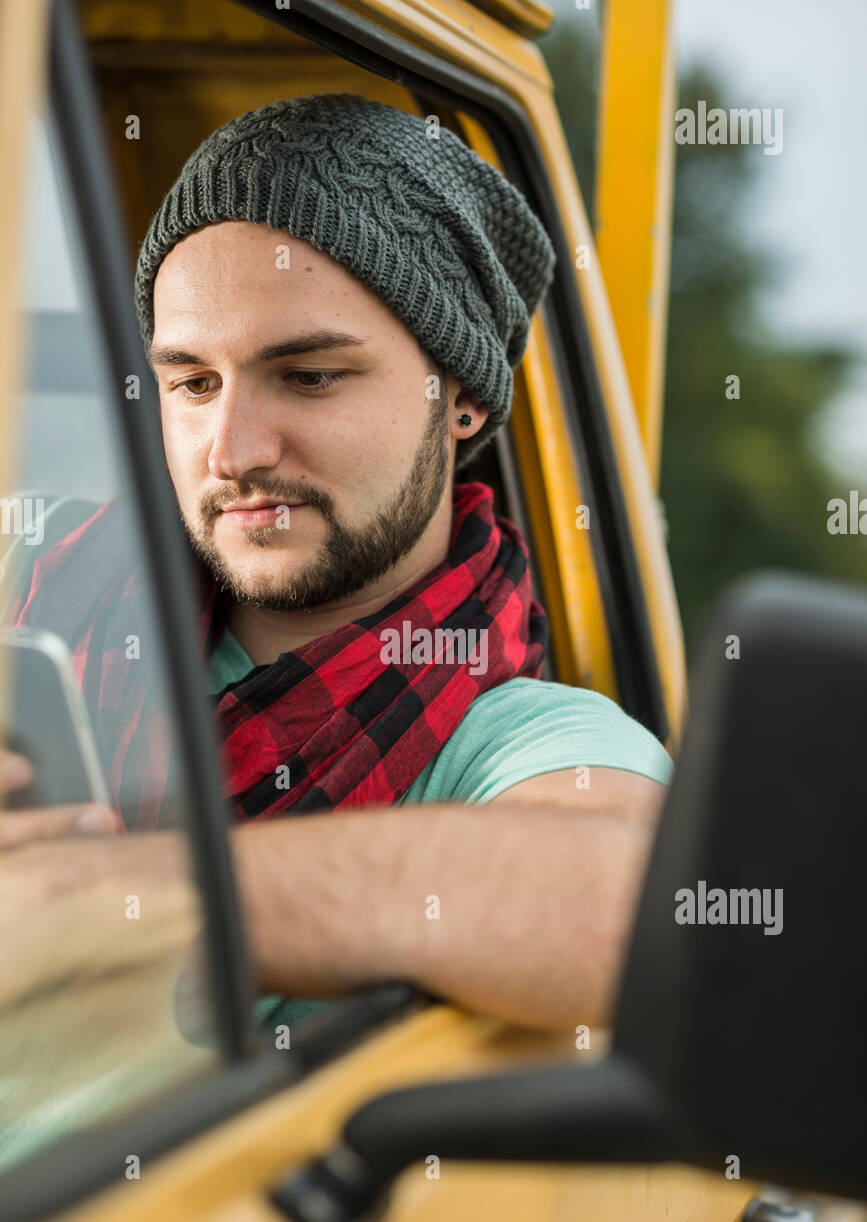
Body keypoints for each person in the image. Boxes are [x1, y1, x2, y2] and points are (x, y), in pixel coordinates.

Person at [3, 94, 673, 1031]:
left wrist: (102, 900)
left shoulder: (519, 740)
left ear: (462, 398)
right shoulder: (33, 565)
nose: (231, 450)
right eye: (192, 383)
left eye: (310, 376)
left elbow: (636, 910)